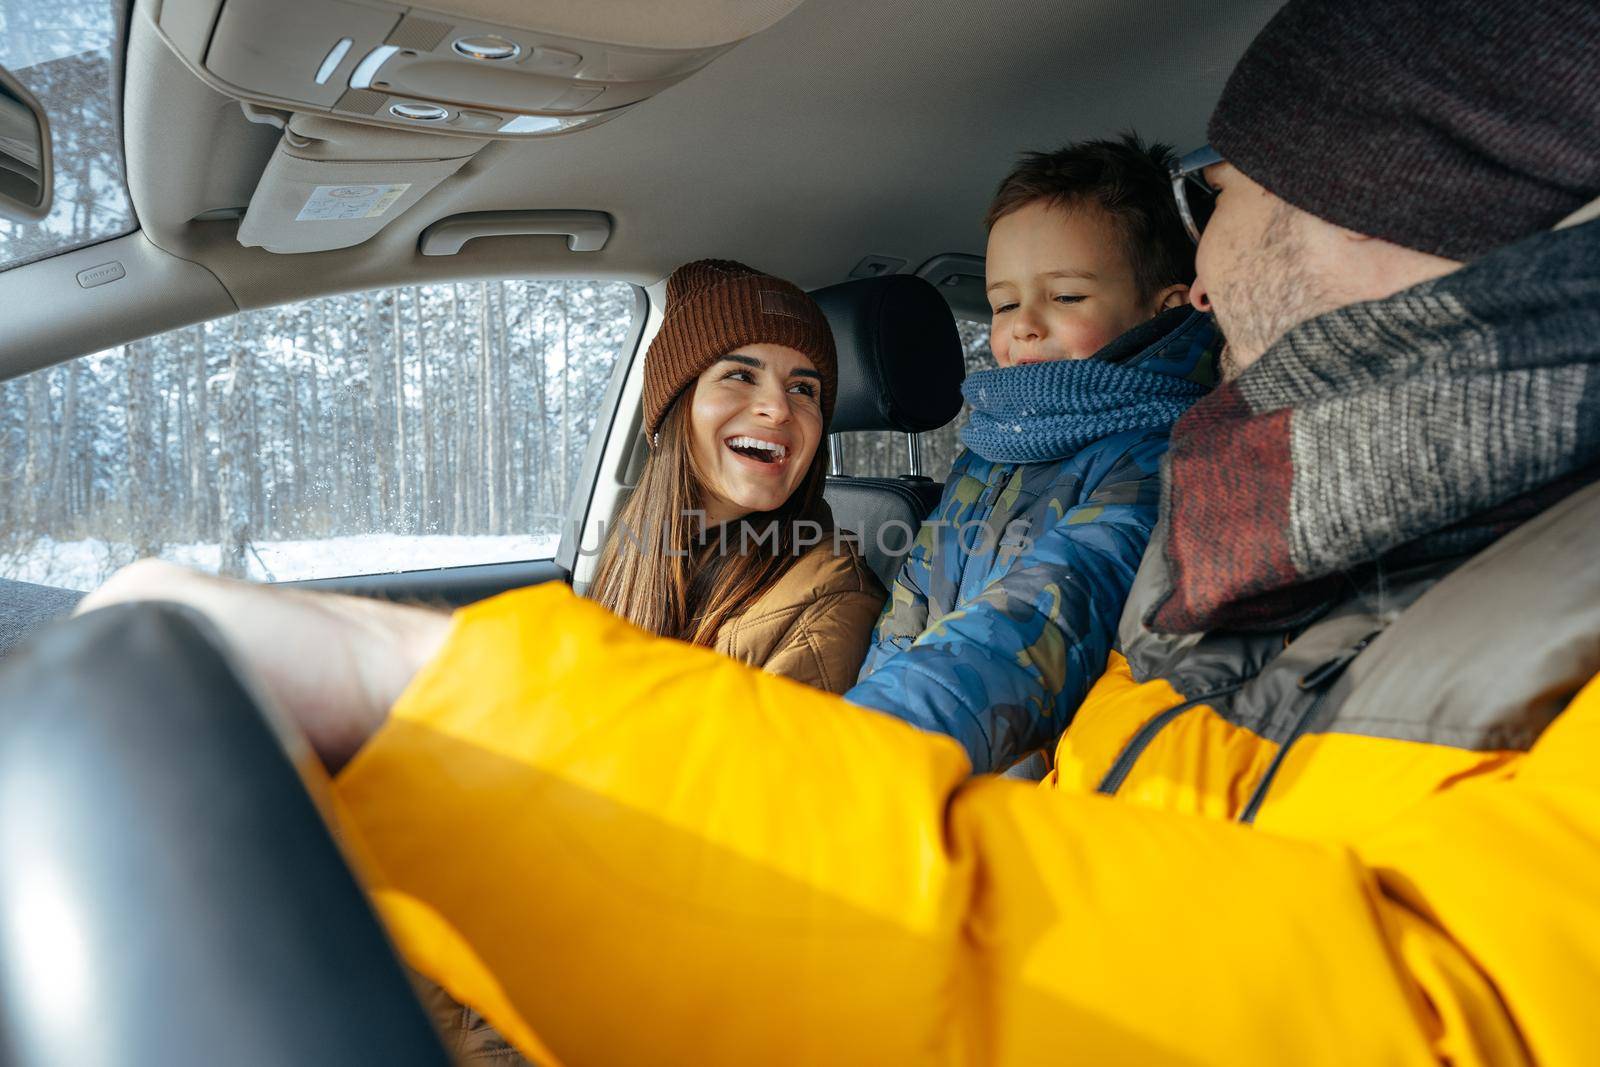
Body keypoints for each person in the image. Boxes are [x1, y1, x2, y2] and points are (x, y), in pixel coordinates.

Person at [68, 0, 1600, 1061]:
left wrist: (477, 736)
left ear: (1384, 191)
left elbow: (1388, 1010)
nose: (1212, 233)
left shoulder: (1163, 494)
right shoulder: (1268, 498)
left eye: (1232, 186)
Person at [846, 135, 1218, 774]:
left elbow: (1051, 611)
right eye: (1003, 303)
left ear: (1164, 311)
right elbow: (907, 612)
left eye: (1066, 297)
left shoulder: (1168, 461)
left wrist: (872, 747)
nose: (1023, 324)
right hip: (927, 771)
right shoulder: (987, 455)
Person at [586, 258, 884, 694]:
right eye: (740, 376)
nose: (779, 408)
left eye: (804, 389)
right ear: (674, 409)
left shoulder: (831, 600)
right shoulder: (635, 551)